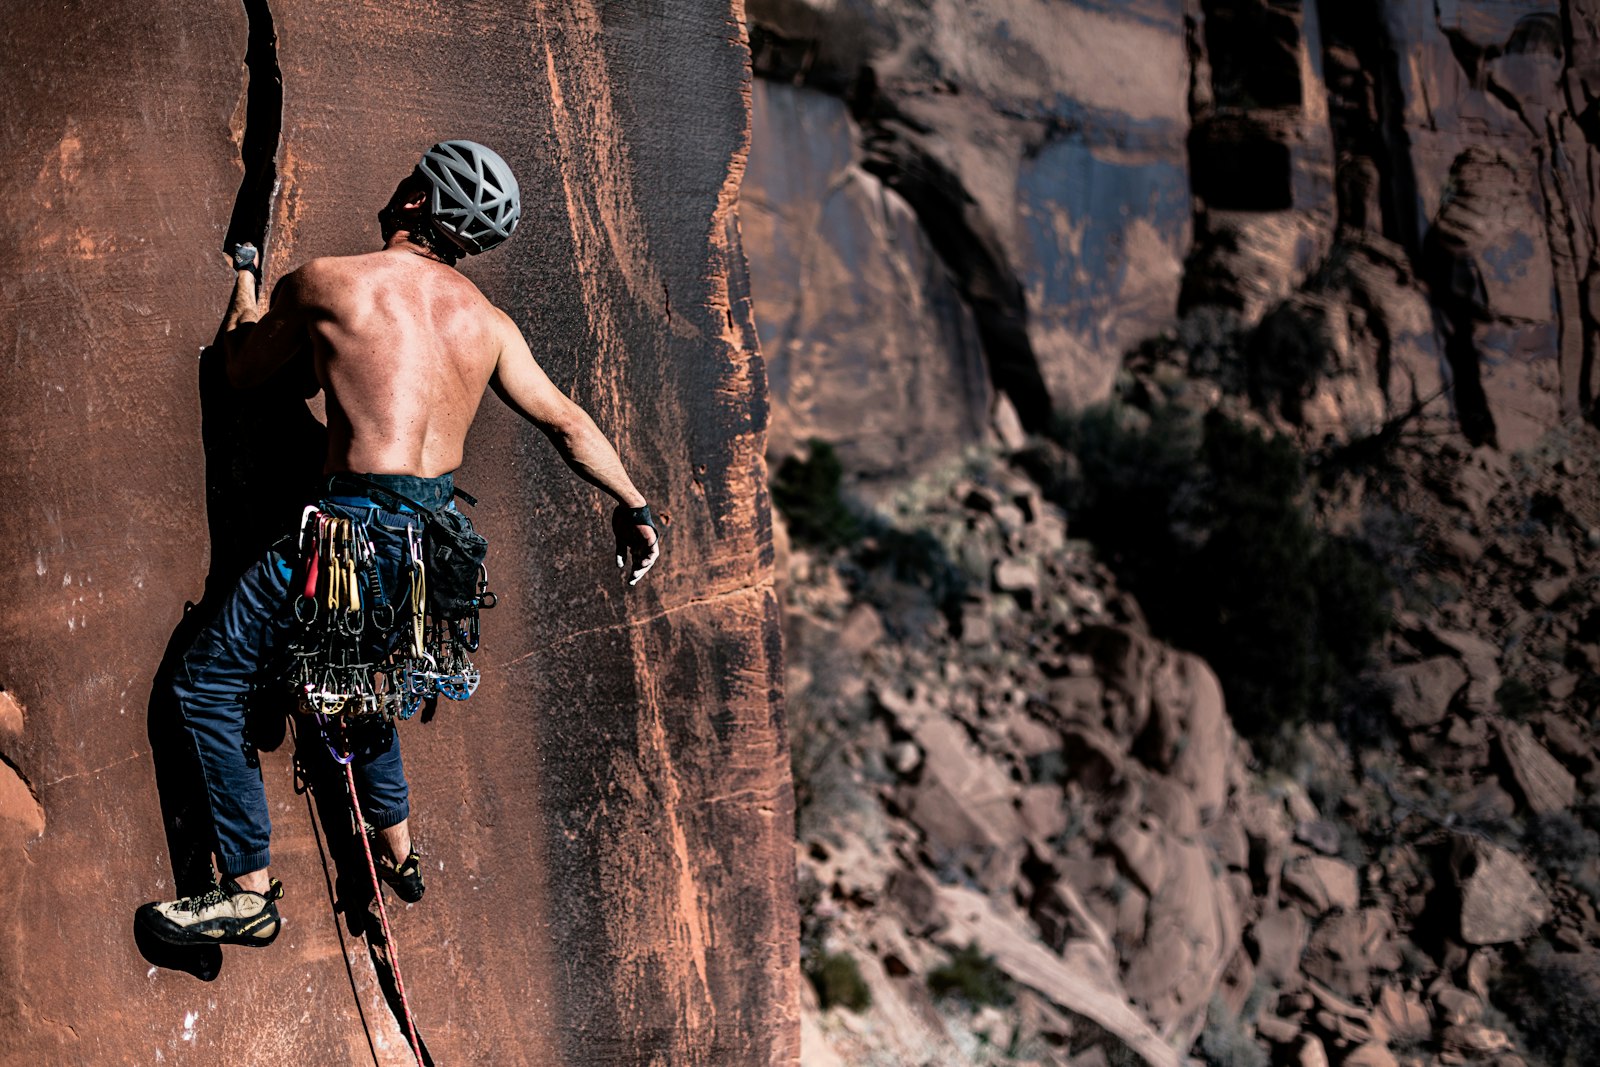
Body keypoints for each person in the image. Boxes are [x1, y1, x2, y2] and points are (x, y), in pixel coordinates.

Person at [138, 140, 661, 947]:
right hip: (428, 546)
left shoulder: (331, 282)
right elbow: (565, 420)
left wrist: (245, 277)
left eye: (409, 181)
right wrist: (633, 503)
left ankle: (243, 888)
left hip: (347, 527)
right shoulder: (487, 325)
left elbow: (241, 369)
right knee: (359, 687)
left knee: (207, 682)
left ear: (418, 201)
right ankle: (400, 854)